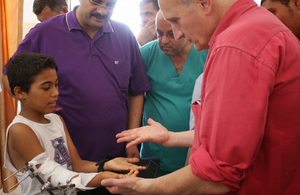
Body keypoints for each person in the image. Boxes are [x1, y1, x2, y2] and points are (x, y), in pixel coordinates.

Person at [100, 0, 300, 194]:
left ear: (204, 3)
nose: (179, 34)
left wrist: (143, 188)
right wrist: (171, 137)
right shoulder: (257, 26)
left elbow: (220, 172)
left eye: (176, 21)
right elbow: (237, 134)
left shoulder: (235, 44)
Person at [2, 0, 150, 193]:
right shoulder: (45, 32)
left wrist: (131, 139)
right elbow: (9, 75)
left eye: (110, 4)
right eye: (96, 2)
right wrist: (35, 110)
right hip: (65, 167)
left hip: (113, 159)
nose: (103, 10)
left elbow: (136, 90)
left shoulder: (124, 35)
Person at [3, 52, 146, 195]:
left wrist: (107, 165)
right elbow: (54, 174)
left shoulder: (56, 120)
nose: (55, 93)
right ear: (20, 92)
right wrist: (102, 177)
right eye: (47, 87)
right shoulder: (20, 129)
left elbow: (77, 165)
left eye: (56, 85)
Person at [140, 10, 208, 175]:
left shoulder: (207, 54)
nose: (164, 40)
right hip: (154, 154)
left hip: (194, 152)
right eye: (159, 33)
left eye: (171, 34)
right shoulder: (147, 54)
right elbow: (134, 95)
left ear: (185, 29)